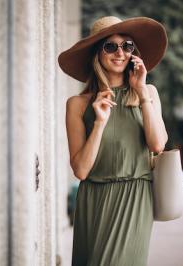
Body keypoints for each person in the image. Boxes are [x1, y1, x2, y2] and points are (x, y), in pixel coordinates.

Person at [58, 16, 169, 266]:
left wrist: (141, 93)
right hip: (94, 199)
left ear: (134, 53)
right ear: (97, 54)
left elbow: (158, 145)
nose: (120, 52)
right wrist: (99, 122)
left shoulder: (148, 93)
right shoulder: (78, 104)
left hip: (135, 197)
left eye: (127, 45)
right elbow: (81, 170)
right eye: (110, 46)